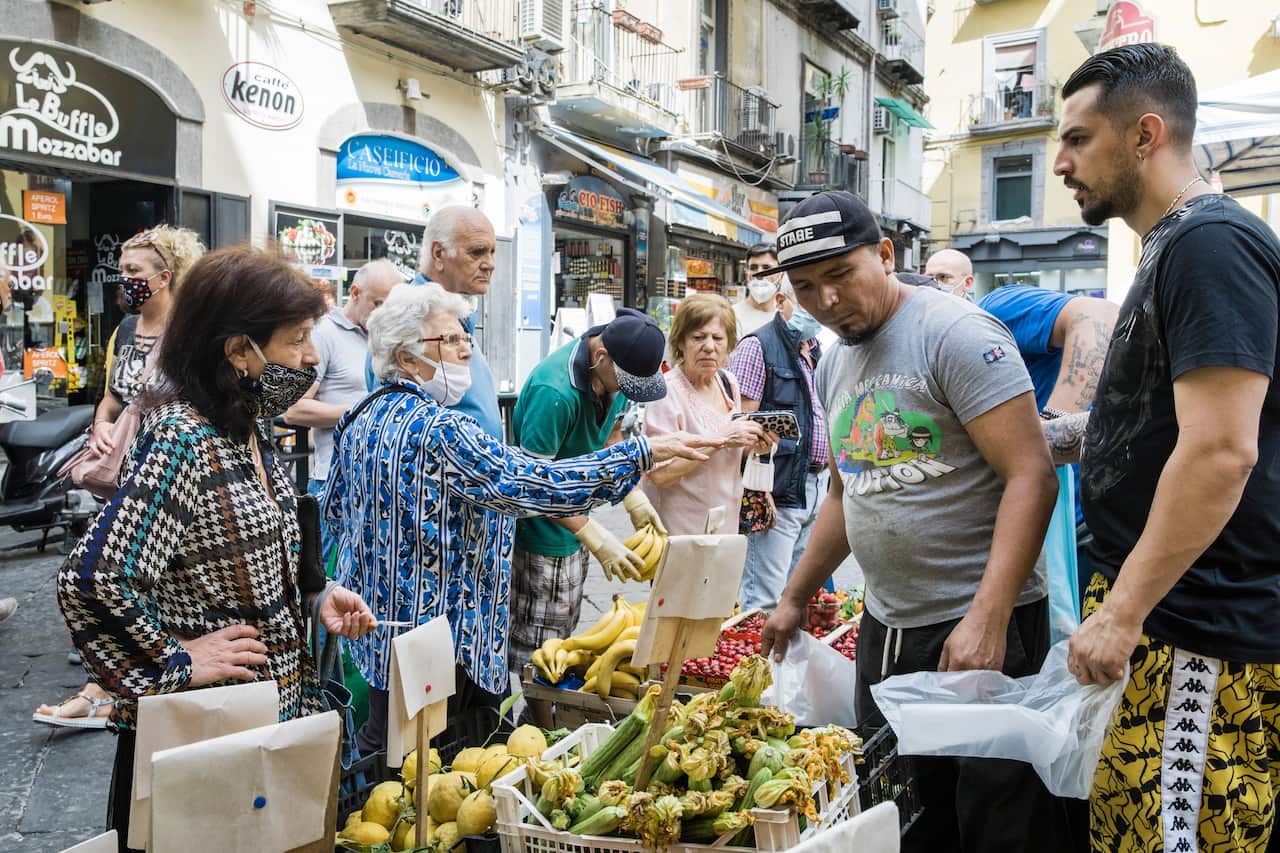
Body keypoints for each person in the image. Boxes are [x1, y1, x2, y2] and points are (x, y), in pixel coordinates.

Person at [758, 190, 1072, 852]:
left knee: (997, 820)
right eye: (807, 286)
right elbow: (847, 494)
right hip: (889, 630)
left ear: (885, 253)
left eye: (841, 274)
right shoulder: (837, 358)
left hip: (980, 626)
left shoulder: (955, 333)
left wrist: (987, 616)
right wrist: (793, 596)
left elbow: (1032, 474)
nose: (828, 300)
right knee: (902, 811)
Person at [57, 246, 377, 851]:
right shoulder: (185, 438)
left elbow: (254, 552)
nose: (311, 357)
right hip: (205, 735)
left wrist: (319, 595)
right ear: (238, 351)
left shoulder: (248, 428)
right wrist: (177, 659)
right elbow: (91, 581)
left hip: (263, 723)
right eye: (296, 340)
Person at [1049, 44, 1280, 853]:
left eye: (1078, 139)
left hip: (1196, 634)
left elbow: (1222, 451)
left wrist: (1122, 611)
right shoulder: (1174, 244)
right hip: (1166, 627)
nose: (1059, 162)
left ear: (1145, 134)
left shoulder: (1209, 246)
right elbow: (1159, 423)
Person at [325, 283, 719, 753]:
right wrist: (640, 454)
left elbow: (336, 514)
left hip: (382, 633)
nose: (464, 349)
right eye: (448, 341)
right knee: (436, 763)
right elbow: (532, 482)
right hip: (445, 644)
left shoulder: (360, 417)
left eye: (463, 337)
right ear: (407, 359)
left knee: (391, 750)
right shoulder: (442, 430)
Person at [35, 226, 206, 731]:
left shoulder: (191, 333)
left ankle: (115, 691)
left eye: (134, 271)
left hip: (169, 476)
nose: (124, 279)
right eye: (122, 270)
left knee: (152, 581)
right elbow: (111, 397)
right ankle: (106, 688)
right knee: (111, 578)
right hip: (120, 475)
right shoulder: (124, 332)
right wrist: (102, 426)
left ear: (165, 276)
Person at [507, 308, 670, 673]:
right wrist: (591, 533)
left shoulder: (617, 373)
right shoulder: (554, 393)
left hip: (575, 524)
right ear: (600, 358)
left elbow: (612, 433)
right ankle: (530, 721)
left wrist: (632, 495)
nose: (626, 394)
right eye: (625, 384)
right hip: (541, 535)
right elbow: (535, 484)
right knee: (538, 649)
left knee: (565, 628)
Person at [285, 259, 399, 561]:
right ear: (356, 292)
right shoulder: (324, 334)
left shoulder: (383, 337)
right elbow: (294, 410)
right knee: (317, 574)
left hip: (373, 478)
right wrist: (363, 411)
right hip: (332, 479)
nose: (383, 314)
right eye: (378, 303)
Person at [729, 279, 833, 611]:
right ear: (780, 300)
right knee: (765, 601)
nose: (815, 309)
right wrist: (759, 493)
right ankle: (758, 663)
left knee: (798, 600)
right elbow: (740, 427)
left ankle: (788, 664)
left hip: (816, 487)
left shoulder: (816, 350)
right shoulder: (757, 346)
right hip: (777, 489)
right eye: (804, 300)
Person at [640, 293, 773, 535]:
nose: (709, 347)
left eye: (718, 338)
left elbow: (730, 451)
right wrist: (720, 439)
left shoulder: (728, 382)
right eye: (698, 337)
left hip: (726, 526)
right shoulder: (666, 392)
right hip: (681, 532)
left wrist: (753, 446)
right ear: (681, 342)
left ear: (729, 344)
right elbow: (658, 474)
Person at [365, 206, 502, 439]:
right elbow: (393, 431)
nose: (490, 264)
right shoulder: (404, 323)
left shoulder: (454, 316)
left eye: (492, 252)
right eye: (477, 252)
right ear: (438, 254)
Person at [733, 243, 782, 337]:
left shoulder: (787, 316)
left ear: (780, 274)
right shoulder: (732, 316)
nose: (759, 273)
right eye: (753, 268)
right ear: (747, 274)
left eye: (767, 268)